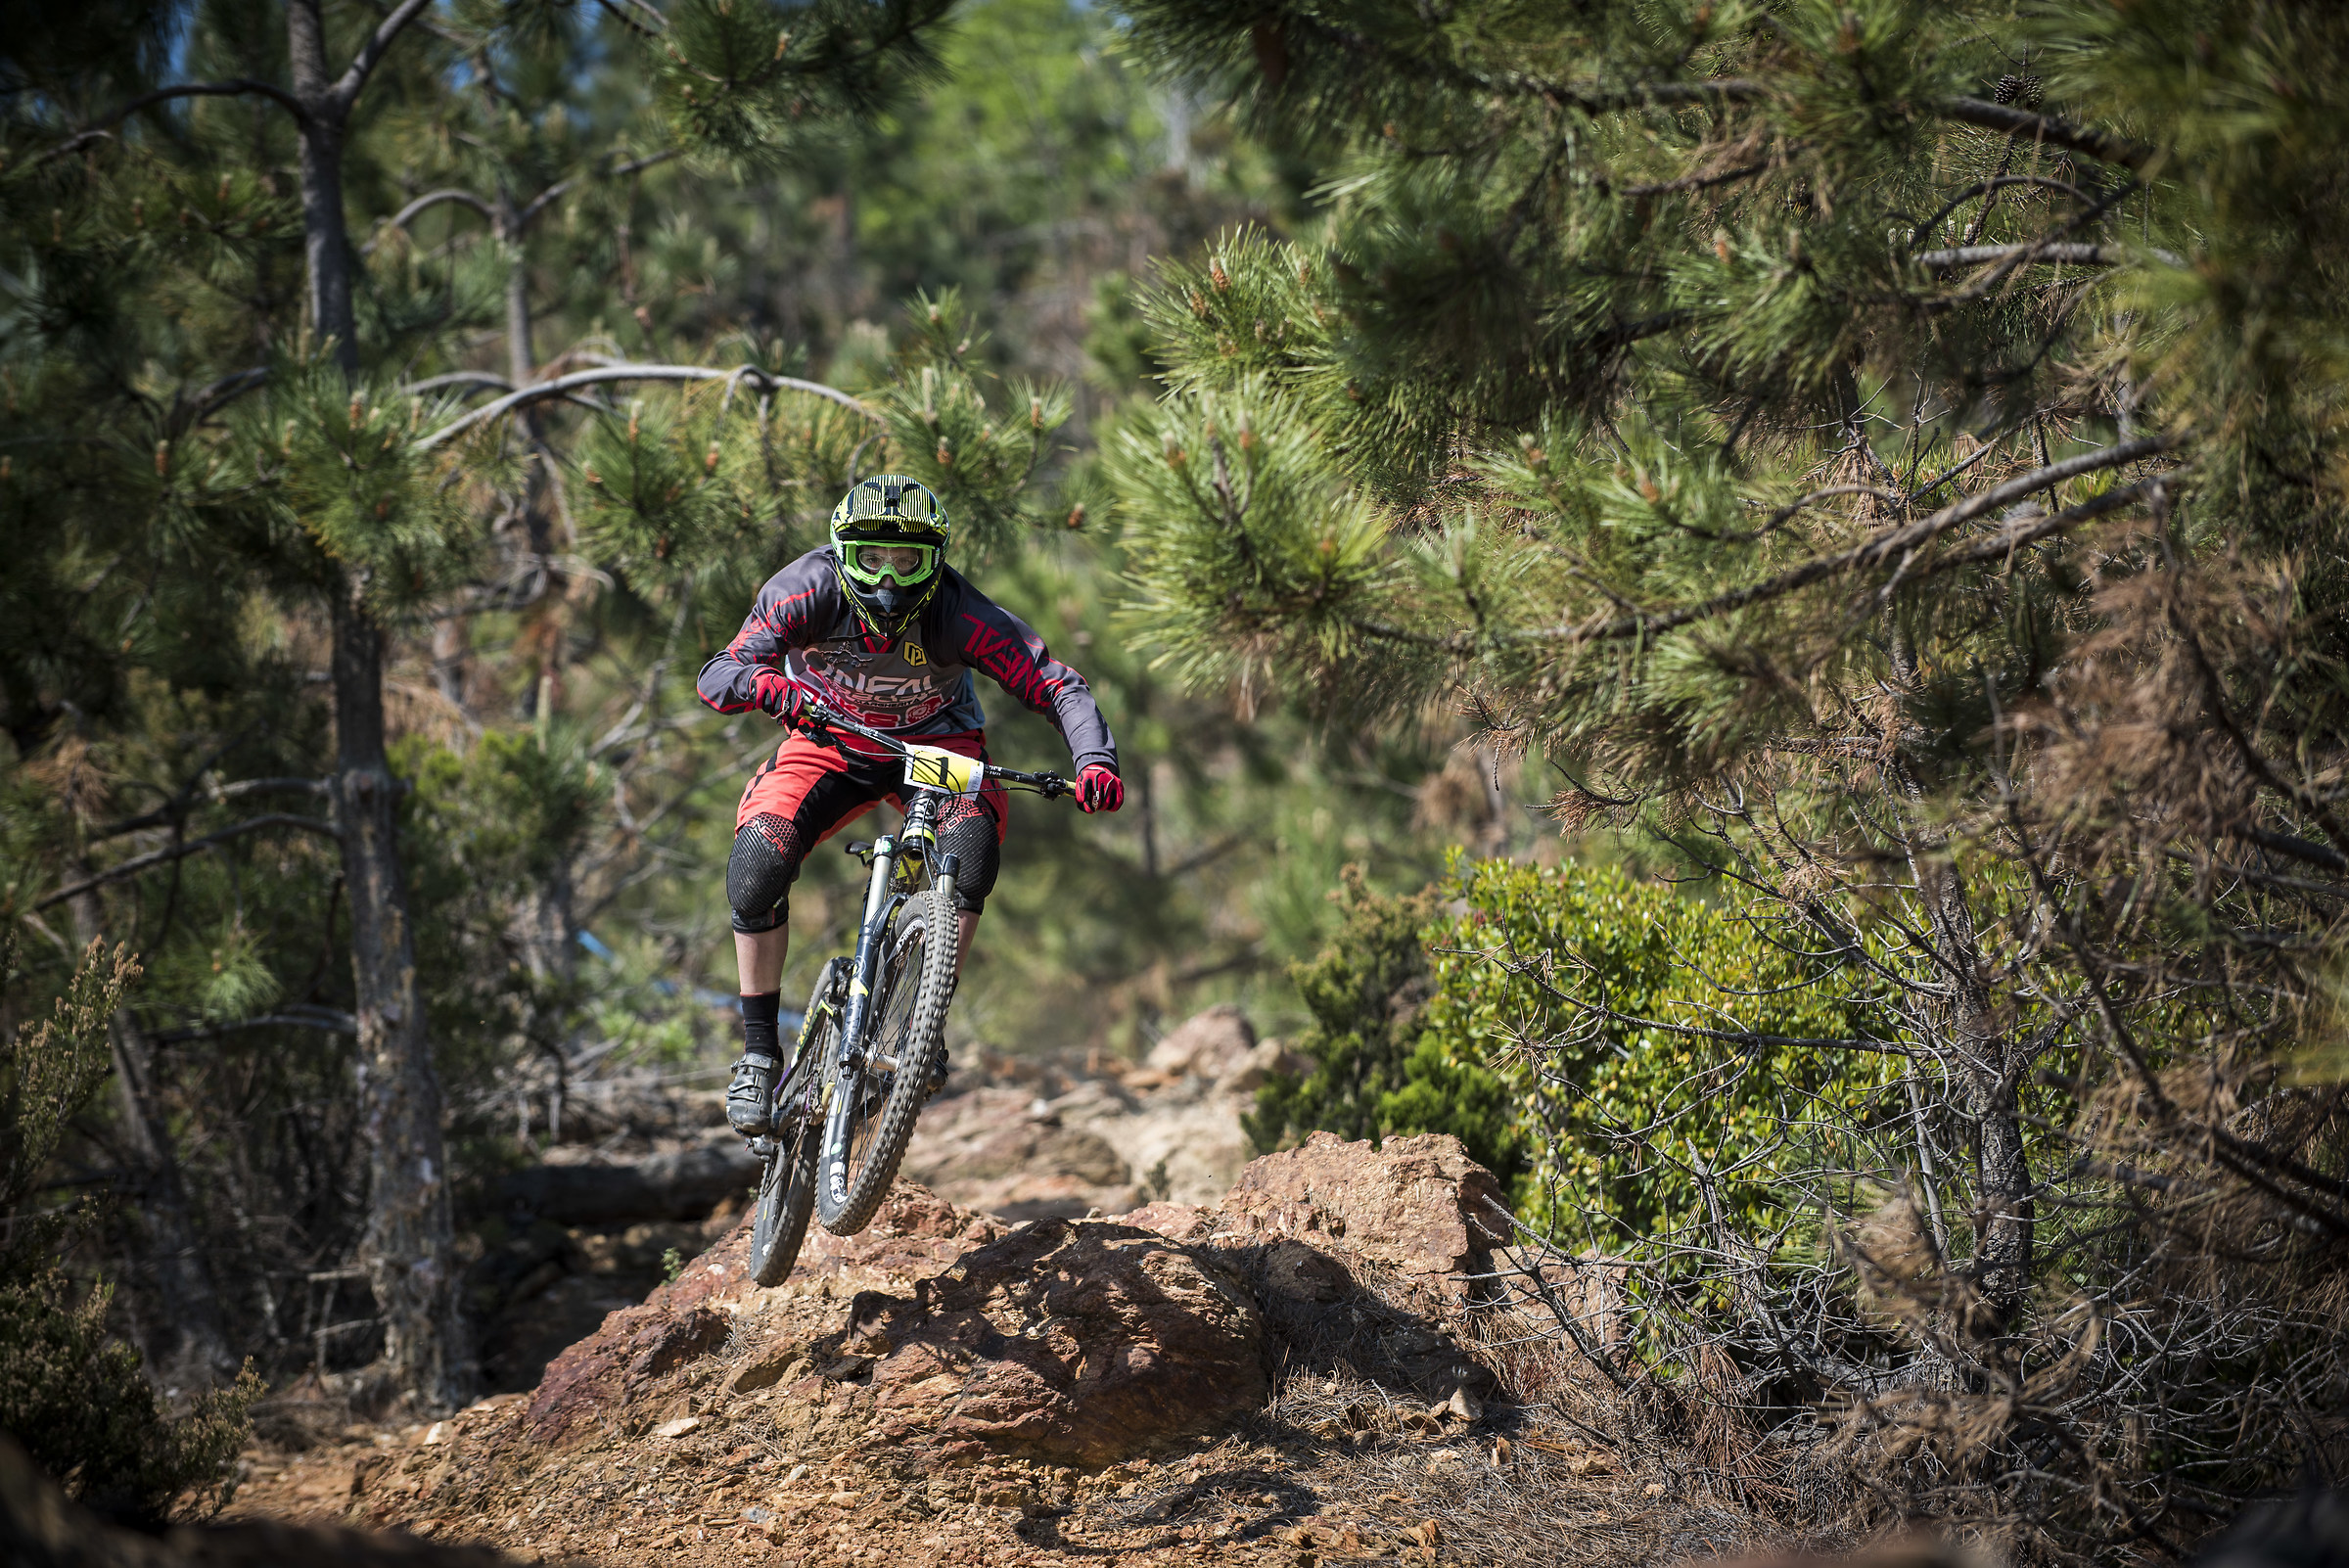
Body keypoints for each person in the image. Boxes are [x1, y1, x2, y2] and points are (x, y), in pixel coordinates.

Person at [697, 475, 1123, 1135]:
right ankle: (757, 1053)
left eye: (908, 562)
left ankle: (926, 1015)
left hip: (934, 751)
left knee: (972, 854)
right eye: (871, 559)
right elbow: (718, 672)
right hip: (828, 743)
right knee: (756, 867)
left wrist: (1094, 759)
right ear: (842, 553)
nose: (888, 581)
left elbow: (1054, 684)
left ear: (937, 562)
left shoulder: (959, 611)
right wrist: (767, 685)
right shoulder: (804, 589)